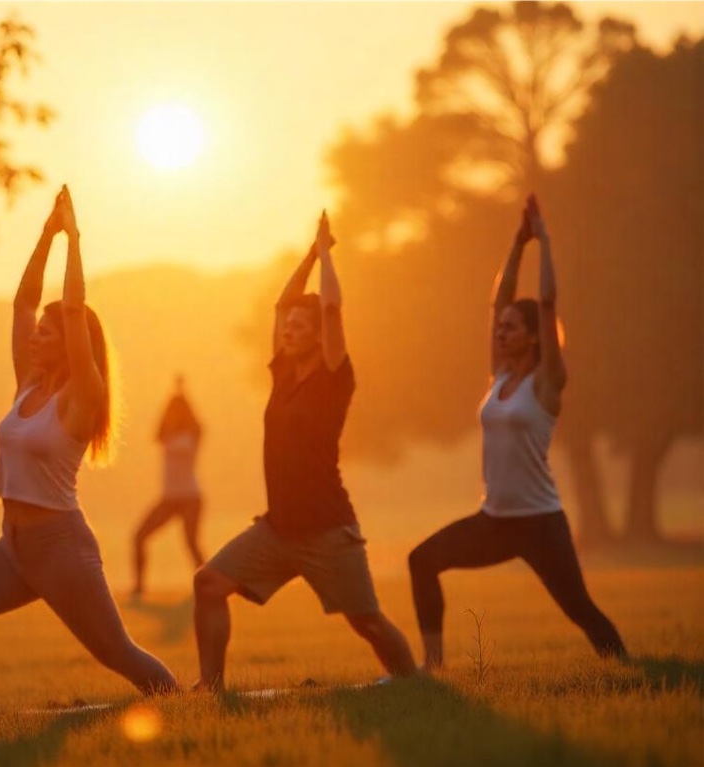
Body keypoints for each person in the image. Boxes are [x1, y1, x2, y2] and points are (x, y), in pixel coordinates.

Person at [0, 187, 177, 712]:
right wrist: (45, 234)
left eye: (46, 334)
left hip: (62, 550)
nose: (34, 338)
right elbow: (22, 302)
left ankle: (180, 705)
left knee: (118, 654)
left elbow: (75, 308)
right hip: (13, 546)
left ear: (70, 344)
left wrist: (75, 239)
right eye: (36, 333)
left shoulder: (82, 396)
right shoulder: (27, 386)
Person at [192, 212, 418, 690]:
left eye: (300, 325)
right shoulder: (282, 374)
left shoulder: (335, 376)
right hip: (278, 528)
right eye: (289, 325)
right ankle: (208, 690)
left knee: (368, 621)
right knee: (208, 584)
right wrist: (310, 255)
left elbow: (332, 307)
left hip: (327, 529)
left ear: (319, 335)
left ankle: (413, 682)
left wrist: (328, 254)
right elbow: (281, 303)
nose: (289, 329)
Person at [407, 195, 627, 669]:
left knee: (580, 610)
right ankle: (432, 666)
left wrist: (544, 242)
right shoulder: (500, 377)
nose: (500, 331)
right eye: (500, 328)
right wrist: (516, 243)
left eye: (511, 328)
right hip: (495, 522)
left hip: (541, 524)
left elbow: (546, 302)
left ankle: (627, 669)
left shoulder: (547, 384)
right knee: (421, 560)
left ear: (533, 335)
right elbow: (498, 300)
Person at [131, 375, 206, 597]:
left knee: (191, 543)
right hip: (169, 497)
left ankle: (208, 584)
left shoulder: (192, 435)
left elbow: (197, 425)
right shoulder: (167, 434)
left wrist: (182, 394)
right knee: (138, 537)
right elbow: (157, 432)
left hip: (190, 497)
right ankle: (139, 587)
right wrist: (173, 398)